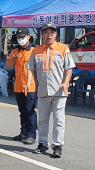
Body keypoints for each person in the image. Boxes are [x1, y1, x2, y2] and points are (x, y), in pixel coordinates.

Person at [25, 23, 75, 158]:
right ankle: (42, 144)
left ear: (56, 34)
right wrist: (29, 83)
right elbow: (31, 68)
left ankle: (58, 146)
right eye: (46, 32)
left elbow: (69, 68)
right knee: (43, 119)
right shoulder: (36, 50)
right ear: (42, 35)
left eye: (51, 32)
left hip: (59, 91)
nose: (49, 35)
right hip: (43, 90)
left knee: (59, 119)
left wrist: (66, 82)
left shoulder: (63, 49)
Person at [6, 28, 37, 145]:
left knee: (30, 111)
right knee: (22, 111)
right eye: (18, 38)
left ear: (28, 37)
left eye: (22, 37)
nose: (20, 40)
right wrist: (13, 59)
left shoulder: (34, 50)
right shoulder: (15, 51)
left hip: (31, 86)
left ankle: (31, 134)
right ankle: (23, 132)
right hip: (18, 86)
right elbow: (7, 66)